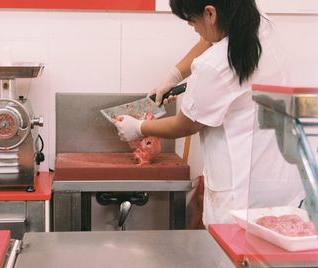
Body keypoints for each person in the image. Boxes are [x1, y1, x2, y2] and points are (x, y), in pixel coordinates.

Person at [114, 0, 304, 226]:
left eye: (191, 20)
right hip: (281, 179)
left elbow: (185, 125)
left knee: (233, 258)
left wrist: (138, 128)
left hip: (239, 197)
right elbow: (209, 39)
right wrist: (174, 76)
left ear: (210, 13)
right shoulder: (256, 20)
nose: (191, 27)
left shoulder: (214, 66)